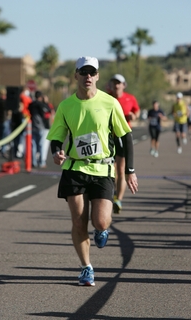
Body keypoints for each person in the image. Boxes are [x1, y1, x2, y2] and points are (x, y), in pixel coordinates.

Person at [47, 56, 138, 286]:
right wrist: (56, 152)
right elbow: (56, 137)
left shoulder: (109, 103)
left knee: (101, 221)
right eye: (83, 72)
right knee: (78, 223)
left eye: (92, 72)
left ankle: (101, 230)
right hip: (75, 168)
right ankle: (86, 267)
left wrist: (130, 170)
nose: (88, 76)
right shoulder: (66, 106)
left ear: (97, 76)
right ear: (76, 75)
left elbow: (125, 136)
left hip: (102, 168)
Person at [108, 74, 140, 213]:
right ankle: (110, 194)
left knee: (120, 169)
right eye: (114, 82)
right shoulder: (105, 97)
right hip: (108, 135)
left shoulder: (130, 98)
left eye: (119, 83)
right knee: (111, 169)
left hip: (122, 135)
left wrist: (134, 116)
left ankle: (118, 199)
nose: (116, 85)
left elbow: (136, 111)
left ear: (123, 85)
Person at [28, 90, 45, 168]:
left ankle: (34, 162)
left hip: (33, 126)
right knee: (41, 145)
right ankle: (41, 162)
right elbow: (44, 114)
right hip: (40, 126)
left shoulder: (31, 104)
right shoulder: (41, 104)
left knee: (33, 145)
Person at [0, 88, 11, 157]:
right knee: (4, 137)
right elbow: (8, 112)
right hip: (4, 121)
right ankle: (3, 151)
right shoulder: (6, 102)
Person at [42, 95, 55, 168]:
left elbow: (53, 114)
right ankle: (41, 160)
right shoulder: (41, 105)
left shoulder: (49, 106)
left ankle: (42, 159)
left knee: (44, 144)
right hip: (43, 127)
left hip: (47, 127)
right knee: (42, 144)